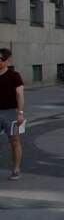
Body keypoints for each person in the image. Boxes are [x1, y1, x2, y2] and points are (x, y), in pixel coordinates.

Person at [0, 49, 25, 180]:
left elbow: (20, 95)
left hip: (11, 113)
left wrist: (20, 113)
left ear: (7, 60)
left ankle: (16, 169)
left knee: (14, 141)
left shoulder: (14, 76)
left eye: (0, 59)